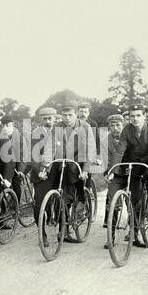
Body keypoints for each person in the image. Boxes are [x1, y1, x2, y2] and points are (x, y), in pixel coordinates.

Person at [112, 104, 148, 247]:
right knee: (134, 199)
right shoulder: (127, 130)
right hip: (134, 164)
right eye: (132, 116)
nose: (135, 119)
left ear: (144, 116)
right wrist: (113, 171)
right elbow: (120, 150)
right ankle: (134, 231)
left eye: (138, 115)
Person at [52, 102, 97, 241]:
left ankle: (81, 200)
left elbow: (90, 150)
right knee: (58, 188)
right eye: (64, 115)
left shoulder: (85, 126)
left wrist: (85, 170)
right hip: (63, 161)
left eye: (70, 115)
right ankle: (62, 229)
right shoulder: (57, 127)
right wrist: (45, 166)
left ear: (75, 115)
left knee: (73, 173)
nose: (67, 118)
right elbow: (50, 147)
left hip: (80, 159)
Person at [30, 107, 58, 247]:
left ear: (55, 118)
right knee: (38, 203)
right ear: (41, 120)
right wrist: (41, 170)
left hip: (57, 170)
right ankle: (42, 233)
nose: (48, 121)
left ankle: (64, 228)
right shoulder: (36, 133)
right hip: (41, 172)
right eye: (45, 119)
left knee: (62, 198)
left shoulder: (61, 131)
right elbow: (34, 155)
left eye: (50, 118)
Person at [101, 114, 124, 233]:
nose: (115, 128)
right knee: (112, 201)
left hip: (130, 172)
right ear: (109, 127)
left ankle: (135, 232)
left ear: (123, 125)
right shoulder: (105, 141)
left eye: (118, 125)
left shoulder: (129, 138)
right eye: (112, 125)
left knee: (136, 200)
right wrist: (107, 173)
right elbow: (105, 160)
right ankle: (112, 235)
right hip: (115, 174)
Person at [0, 115, 29, 203]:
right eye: (3, 125)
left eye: (7, 125)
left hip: (18, 161)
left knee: (16, 183)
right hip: (6, 162)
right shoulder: (0, 135)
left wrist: (20, 170)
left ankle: (16, 206)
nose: (5, 128)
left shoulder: (19, 136)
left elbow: (24, 155)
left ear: (12, 125)